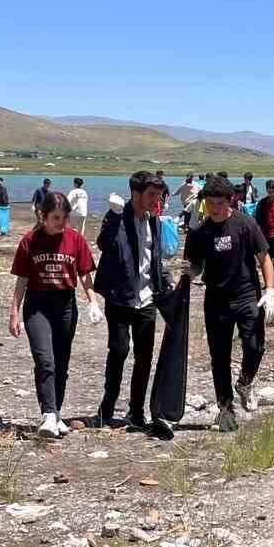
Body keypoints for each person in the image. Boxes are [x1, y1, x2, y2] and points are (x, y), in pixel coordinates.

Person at [184, 176, 274, 431]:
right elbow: (196, 265)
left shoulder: (245, 224)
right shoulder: (201, 232)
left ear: (231, 200)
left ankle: (245, 382)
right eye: (211, 203)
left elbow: (264, 258)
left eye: (220, 203)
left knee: (255, 346)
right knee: (219, 357)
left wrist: (269, 290)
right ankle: (225, 408)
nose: (215, 208)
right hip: (217, 300)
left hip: (248, 295)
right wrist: (188, 274)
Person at [9, 191, 100, 438]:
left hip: (65, 305)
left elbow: (84, 274)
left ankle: (56, 413)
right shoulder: (30, 241)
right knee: (45, 360)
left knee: (61, 363)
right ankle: (48, 414)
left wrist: (93, 302)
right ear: (43, 216)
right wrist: (14, 313)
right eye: (56, 218)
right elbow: (22, 280)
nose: (61, 223)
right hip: (37, 305)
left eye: (64, 218)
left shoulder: (75, 240)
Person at [95, 172, 173, 439]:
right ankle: (107, 405)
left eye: (159, 194)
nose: (157, 200)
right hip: (119, 297)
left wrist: (166, 282)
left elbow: (155, 257)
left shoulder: (155, 222)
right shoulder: (117, 215)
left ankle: (136, 411)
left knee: (144, 356)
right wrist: (114, 216)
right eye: (151, 195)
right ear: (135, 194)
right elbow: (104, 243)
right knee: (118, 350)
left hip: (146, 299)